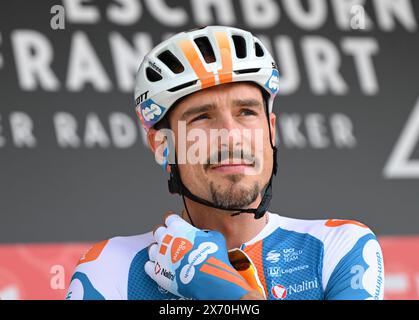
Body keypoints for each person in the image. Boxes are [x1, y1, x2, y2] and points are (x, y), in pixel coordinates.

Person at [66, 26, 385, 300]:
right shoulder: (108, 268)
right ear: (163, 145)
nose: (230, 137)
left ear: (272, 130)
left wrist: (227, 292)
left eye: (246, 112)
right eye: (202, 117)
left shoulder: (338, 248)